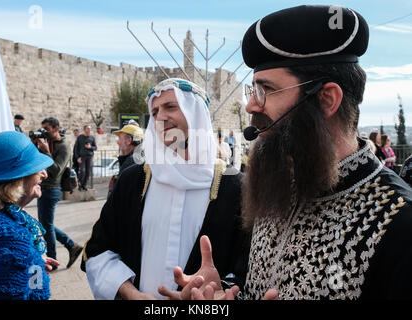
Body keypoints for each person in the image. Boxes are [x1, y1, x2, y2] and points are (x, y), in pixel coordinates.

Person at [172, 5, 412, 300]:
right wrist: (219, 295)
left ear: (326, 100)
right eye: (253, 90)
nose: (251, 106)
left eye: (266, 90)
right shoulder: (273, 190)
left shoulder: (398, 220)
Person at [81, 78, 249, 300]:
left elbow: (247, 269)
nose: (160, 117)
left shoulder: (236, 187)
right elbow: (97, 251)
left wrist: (220, 291)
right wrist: (132, 294)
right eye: (154, 111)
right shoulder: (133, 180)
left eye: (171, 106)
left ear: (196, 114)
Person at [0, 131, 59, 299]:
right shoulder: (8, 241)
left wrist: (32, 260)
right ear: (18, 179)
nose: (44, 174)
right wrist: (20, 259)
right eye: (36, 168)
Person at [34, 117, 83, 269]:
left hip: (52, 189)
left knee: (45, 225)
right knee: (46, 224)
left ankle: (53, 259)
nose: (44, 132)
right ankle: (71, 246)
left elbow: (55, 171)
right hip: (43, 187)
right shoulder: (48, 143)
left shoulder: (64, 146)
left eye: (47, 129)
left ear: (56, 128)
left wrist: (47, 151)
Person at [107, 124, 144, 198]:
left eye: (120, 138)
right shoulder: (140, 159)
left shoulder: (132, 163)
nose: (117, 142)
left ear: (129, 140)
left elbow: (120, 198)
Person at [74, 125, 97, 191]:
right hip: (82, 157)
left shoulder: (92, 138)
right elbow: (76, 148)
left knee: (88, 172)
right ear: (84, 129)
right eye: (88, 128)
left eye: (90, 128)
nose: (89, 130)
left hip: (89, 157)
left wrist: (90, 147)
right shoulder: (80, 137)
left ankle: (84, 185)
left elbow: (95, 147)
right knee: (82, 171)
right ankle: (80, 184)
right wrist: (77, 157)